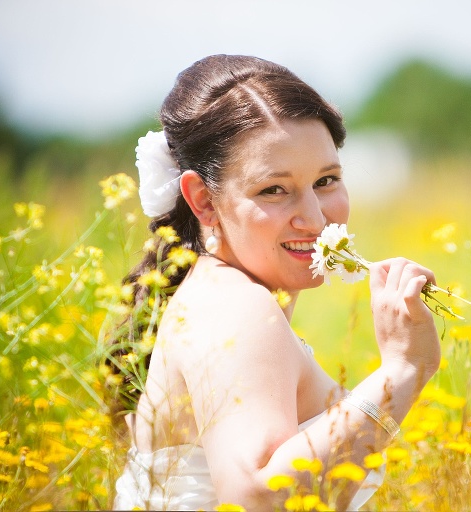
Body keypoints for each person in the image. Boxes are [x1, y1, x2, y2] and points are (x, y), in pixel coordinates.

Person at [111, 54, 441, 511]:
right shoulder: (237, 308)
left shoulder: (220, 293)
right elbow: (256, 496)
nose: (316, 217)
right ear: (204, 201)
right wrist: (401, 371)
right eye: (274, 189)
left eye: (326, 180)